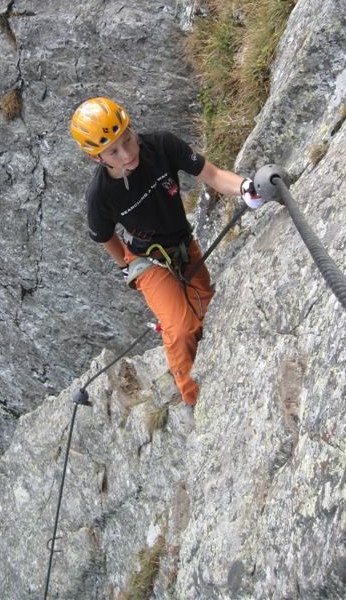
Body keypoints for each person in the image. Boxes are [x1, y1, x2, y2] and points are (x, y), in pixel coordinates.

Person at [70, 97, 263, 407]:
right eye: (113, 151)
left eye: (127, 139)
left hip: (184, 245)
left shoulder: (161, 146)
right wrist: (126, 267)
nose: (127, 154)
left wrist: (245, 187)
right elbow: (105, 237)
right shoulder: (100, 195)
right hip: (147, 261)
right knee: (181, 328)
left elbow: (212, 175)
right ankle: (193, 398)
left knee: (208, 316)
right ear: (97, 158)